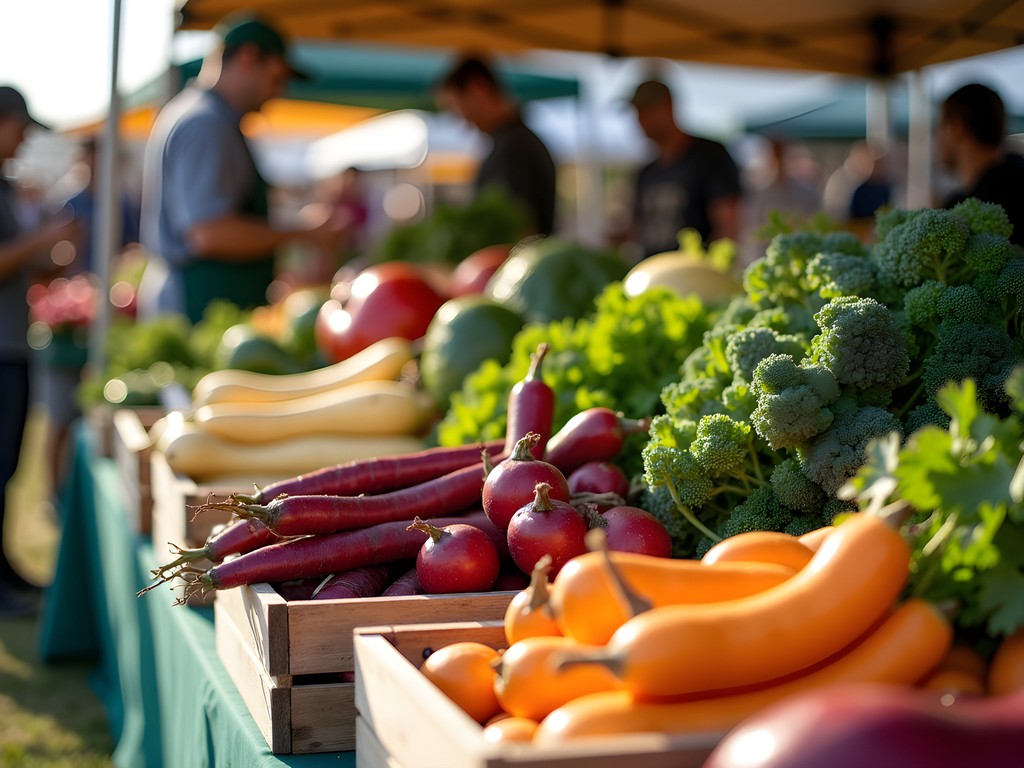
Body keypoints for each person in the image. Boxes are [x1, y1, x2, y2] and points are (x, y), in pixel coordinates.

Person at [137, 13, 345, 323]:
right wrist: (303, 233)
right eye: (277, 78)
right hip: (197, 304)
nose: (279, 90)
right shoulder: (206, 124)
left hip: (205, 297)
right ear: (248, 57)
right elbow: (209, 233)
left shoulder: (206, 117)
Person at [0, 85, 82, 617]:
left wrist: (50, 260)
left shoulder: (7, 187)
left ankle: (3, 569)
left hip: (11, 344)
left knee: (7, 467)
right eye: (20, 126)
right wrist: (44, 237)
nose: (26, 137)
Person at [437, 55, 557, 236]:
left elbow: (522, 227)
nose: (462, 120)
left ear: (478, 90)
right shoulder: (515, 142)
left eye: (456, 107)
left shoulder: (514, 148)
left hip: (515, 262)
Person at [625, 78, 742, 260]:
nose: (639, 120)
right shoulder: (647, 173)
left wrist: (708, 270)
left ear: (667, 106)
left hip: (696, 281)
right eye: (637, 113)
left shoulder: (710, 157)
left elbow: (728, 227)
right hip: (652, 278)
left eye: (645, 111)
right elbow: (636, 231)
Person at [937, 82, 1024, 245]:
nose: (937, 139)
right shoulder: (1018, 173)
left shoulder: (960, 215)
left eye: (939, 128)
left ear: (957, 126)